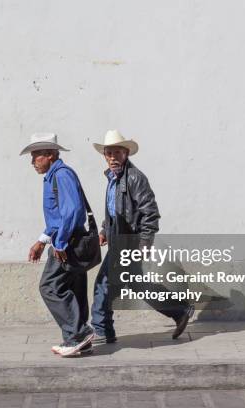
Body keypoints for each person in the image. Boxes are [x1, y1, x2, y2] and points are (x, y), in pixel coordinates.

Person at [90, 130, 194, 344]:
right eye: (109, 153)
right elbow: (113, 210)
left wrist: (145, 242)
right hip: (119, 241)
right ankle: (179, 310)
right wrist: (104, 230)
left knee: (103, 284)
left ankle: (102, 330)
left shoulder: (135, 178)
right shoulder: (112, 178)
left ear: (126, 153)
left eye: (117, 152)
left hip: (130, 243)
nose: (112, 157)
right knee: (136, 283)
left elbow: (150, 212)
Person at [20, 133, 95, 357]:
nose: (32, 162)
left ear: (50, 155)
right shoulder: (54, 176)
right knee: (74, 288)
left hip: (67, 242)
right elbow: (57, 215)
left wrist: (59, 243)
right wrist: (42, 241)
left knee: (50, 287)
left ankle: (78, 334)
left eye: (36, 156)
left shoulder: (61, 175)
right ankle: (81, 339)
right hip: (68, 238)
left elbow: (72, 211)